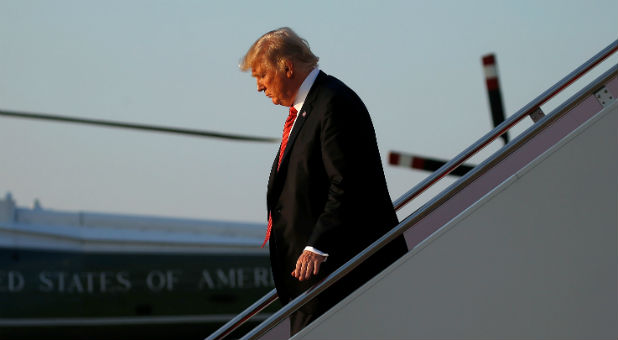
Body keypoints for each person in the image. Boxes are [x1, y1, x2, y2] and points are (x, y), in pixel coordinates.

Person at [240, 27, 408, 336]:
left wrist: (318, 245)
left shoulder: (333, 103)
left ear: (287, 67)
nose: (260, 87)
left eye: (261, 76)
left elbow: (347, 182)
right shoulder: (309, 109)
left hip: (336, 272)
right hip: (314, 280)